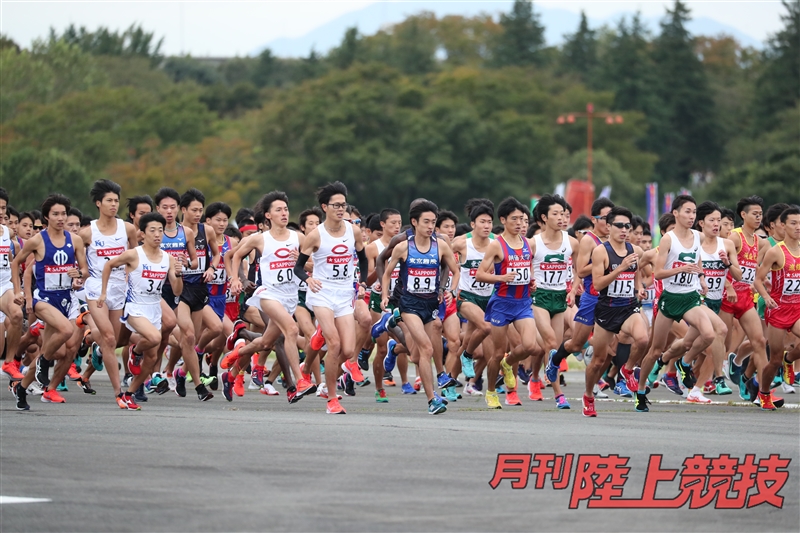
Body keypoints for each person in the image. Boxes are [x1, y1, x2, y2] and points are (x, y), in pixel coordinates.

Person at [99, 212, 199, 408]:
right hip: (135, 307)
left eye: (160, 230)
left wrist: (178, 274)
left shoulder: (168, 258)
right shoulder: (134, 254)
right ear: (142, 233)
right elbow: (109, 265)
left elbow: (177, 291)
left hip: (154, 309)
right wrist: (103, 292)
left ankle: (129, 393)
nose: (157, 234)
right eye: (152, 230)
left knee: (152, 358)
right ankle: (135, 353)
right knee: (153, 338)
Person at [227, 191, 316, 403]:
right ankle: (299, 381)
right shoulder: (260, 239)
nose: (284, 213)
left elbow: (313, 264)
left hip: (290, 296)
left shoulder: (299, 238)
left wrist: (302, 261)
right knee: (292, 330)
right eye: (278, 210)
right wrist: (234, 278)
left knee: (265, 342)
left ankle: (234, 362)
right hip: (268, 293)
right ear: (268, 215)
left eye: (286, 209)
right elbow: (234, 255)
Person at [294, 181, 369, 414]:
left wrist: (363, 282)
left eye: (343, 205)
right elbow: (298, 267)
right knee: (334, 343)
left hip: (345, 293)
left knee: (347, 350)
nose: (340, 209)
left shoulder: (353, 230)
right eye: (336, 205)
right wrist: (308, 279)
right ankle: (332, 398)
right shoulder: (315, 236)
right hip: (322, 293)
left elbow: (363, 259)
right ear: (324, 207)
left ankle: (309, 359)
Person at [637, 195, 718, 412]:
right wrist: (681, 269)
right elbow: (659, 273)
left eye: (694, 212)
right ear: (676, 213)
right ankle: (641, 389)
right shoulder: (668, 239)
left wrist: (701, 278)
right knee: (654, 350)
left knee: (709, 335)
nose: (691, 216)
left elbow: (697, 260)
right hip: (670, 299)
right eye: (687, 212)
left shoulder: (698, 237)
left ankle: (684, 363)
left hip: (690, 297)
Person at [381, 200, 460, 414]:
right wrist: (385, 296)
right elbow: (387, 273)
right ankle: (432, 399)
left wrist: (450, 290)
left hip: (431, 302)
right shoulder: (403, 247)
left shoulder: (441, 245)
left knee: (422, 347)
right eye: (426, 222)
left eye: (433, 222)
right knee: (426, 349)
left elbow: (455, 270)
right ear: (414, 222)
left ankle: (437, 374)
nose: (430, 226)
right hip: (409, 304)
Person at [12, 194, 89, 410]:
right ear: (47, 216)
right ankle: (44, 362)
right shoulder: (38, 240)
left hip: (66, 300)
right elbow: (17, 264)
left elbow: (85, 269)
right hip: (43, 300)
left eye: (63, 213)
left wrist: (79, 273)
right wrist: (20, 293)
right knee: (65, 331)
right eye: (55, 214)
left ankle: (22, 387)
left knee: (63, 352)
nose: (60, 218)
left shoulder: (74, 240)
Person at [581, 206, 649, 417]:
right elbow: (598, 284)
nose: (624, 229)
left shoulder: (635, 251)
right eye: (619, 225)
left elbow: (636, 273)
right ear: (608, 227)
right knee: (598, 361)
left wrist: (639, 287)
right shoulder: (601, 251)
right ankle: (588, 396)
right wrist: (619, 269)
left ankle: (627, 369)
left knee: (643, 339)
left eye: (627, 226)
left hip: (628, 306)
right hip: (607, 309)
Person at [78, 180, 139, 402]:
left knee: (114, 341)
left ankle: (91, 341)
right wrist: (78, 273)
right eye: (109, 201)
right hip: (97, 288)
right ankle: (118, 392)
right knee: (110, 338)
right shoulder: (87, 233)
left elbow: (136, 257)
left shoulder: (128, 229)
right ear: (98, 203)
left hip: (120, 289)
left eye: (116, 201)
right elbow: (76, 258)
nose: (114, 205)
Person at [475, 197, 538, 409]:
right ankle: (491, 391)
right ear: (503, 220)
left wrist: (531, 281)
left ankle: (508, 364)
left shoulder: (528, 243)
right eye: (514, 219)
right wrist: (501, 278)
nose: (520, 223)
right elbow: (480, 275)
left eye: (522, 219)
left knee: (530, 346)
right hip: (501, 303)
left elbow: (526, 270)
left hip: (522, 302)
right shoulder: (496, 245)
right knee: (496, 352)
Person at [755, 206, 800, 410]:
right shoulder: (776, 251)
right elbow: (758, 279)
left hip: (797, 308)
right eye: (793, 223)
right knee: (773, 360)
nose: (798, 227)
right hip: (778, 310)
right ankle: (763, 394)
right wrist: (766, 296)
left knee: (782, 357)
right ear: (783, 225)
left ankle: (789, 360)